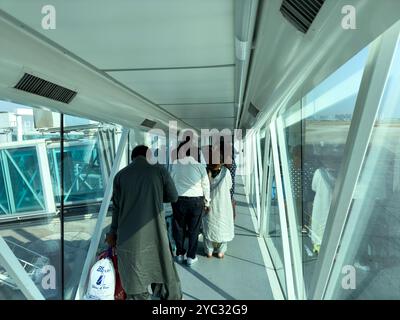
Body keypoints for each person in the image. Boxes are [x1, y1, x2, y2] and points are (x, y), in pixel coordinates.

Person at [105, 145, 182, 300]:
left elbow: (116, 209)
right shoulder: (159, 170)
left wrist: (112, 233)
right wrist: (155, 197)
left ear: (133, 158)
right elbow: (173, 197)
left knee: (134, 278)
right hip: (155, 234)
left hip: (128, 238)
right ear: (149, 156)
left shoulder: (120, 176)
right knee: (162, 267)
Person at [170, 140, 211, 266]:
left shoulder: (176, 164)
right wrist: (207, 203)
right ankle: (191, 257)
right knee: (194, 230)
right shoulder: (200, 166)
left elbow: (171, 181)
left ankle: (180, 254)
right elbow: (206, 186)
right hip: (196, 202)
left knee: (179, 228)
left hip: (179, 200)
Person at [203, 159, 235, 258]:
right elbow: (230, 186)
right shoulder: (226, 172)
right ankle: (221, 252)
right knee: (223, 225)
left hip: (210, 204)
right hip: (224, 204)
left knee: (209, 225)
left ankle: (209, 251)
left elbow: (203, 187)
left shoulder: (206, 172)